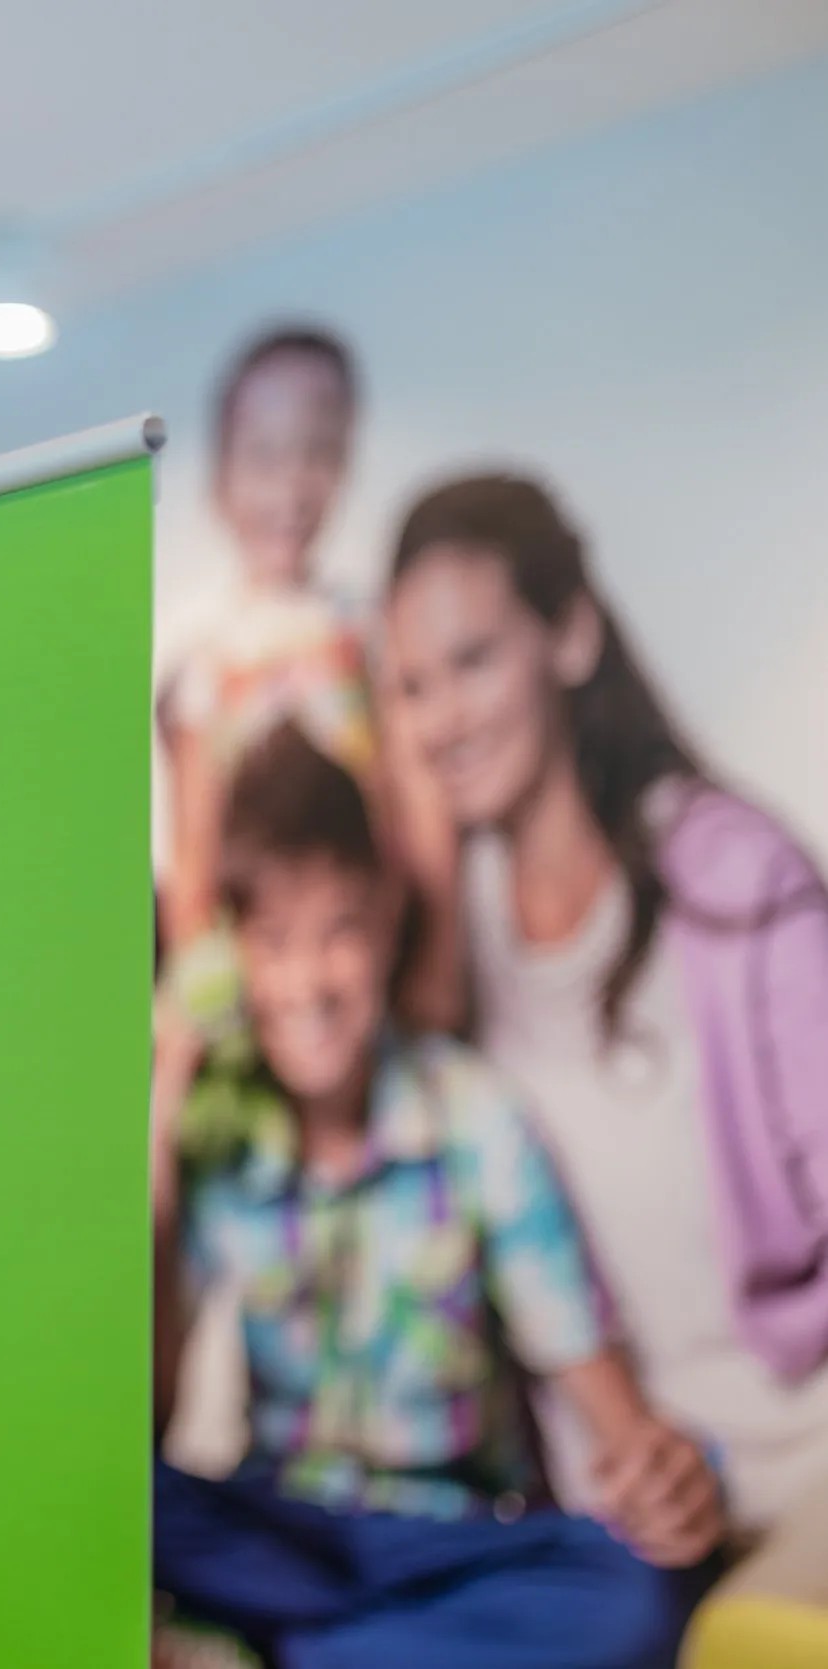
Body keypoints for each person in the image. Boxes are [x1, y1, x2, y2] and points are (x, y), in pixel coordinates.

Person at [152, 721, 716, 1669]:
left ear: (384, 919)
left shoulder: (475, 1118)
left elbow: (610, 1407)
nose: (306, 982)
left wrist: (664, 1480)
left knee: (635, 1595)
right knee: (125, 1500)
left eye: (338, 931)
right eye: (274, 941)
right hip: (287, 1532)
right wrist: (164, 1115)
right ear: (235, 955)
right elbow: (151, 1420)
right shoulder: (222, 1138)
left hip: (455, 1538)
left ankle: (306, 1652)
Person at [382, 472, 828, 1637]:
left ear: (571, 633)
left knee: (747, 1646)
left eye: (473, 661)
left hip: (802, 1464)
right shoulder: (450, 950)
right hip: (617, 1521)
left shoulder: (735, 881)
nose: (442, 719)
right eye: (412, 686)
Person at [157, 326, 377, 957]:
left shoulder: (368, 631)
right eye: (264, 456)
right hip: (250, 968)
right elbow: (193, 850)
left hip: (358, 954)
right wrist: (198, 977)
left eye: (318, 452)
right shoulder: (203, 658)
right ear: (220, 477)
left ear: (345, 462)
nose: (292, 485)